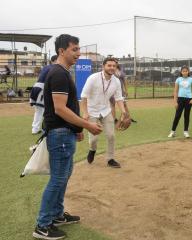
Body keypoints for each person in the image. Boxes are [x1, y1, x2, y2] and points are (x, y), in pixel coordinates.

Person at [33, 34, 102, 240]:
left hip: (65, 132)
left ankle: (57, 215)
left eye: (79, 49)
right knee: (58, 179)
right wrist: (87, 124)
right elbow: (61, 109)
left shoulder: (62, 72)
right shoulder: (59, 74)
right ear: (61, 51)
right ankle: (42, 225)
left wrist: (76, 128)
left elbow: (68, 107)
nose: (78, 53)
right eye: (74, 49)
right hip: (59, 134)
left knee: (64, 176)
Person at [81, 57, 129, 168]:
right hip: (92, 111)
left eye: (114, 66)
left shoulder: (116, 81)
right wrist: (85, 112)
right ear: (103, 66)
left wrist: (123, 112)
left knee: (111, 136)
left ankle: (110, 159)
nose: (112, 68)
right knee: (94, 139)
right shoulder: (93, 78)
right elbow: (84, 96)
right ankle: (92, 150)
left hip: (106, 111)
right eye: (109, 65)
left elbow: (118, 98)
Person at [29, 55, 58, 134]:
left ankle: (37, 128)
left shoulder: (47, 67)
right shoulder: (54, 67)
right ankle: (36, 129)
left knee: (39, 110)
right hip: (42, 89)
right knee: (41, 110)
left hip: (37, 87)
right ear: (55, 60)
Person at [168, 66, 192, 138]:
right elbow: (175, 91)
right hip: (180, 99)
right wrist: (175, 102)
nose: (185, 72)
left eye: (186, 71)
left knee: (186, 116)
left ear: (188, 72)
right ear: (181, 72)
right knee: (177, 115)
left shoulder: (191, 80)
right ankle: (173, 131)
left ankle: (186, 132)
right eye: (183, 71)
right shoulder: (178, 79)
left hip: (188, 99)